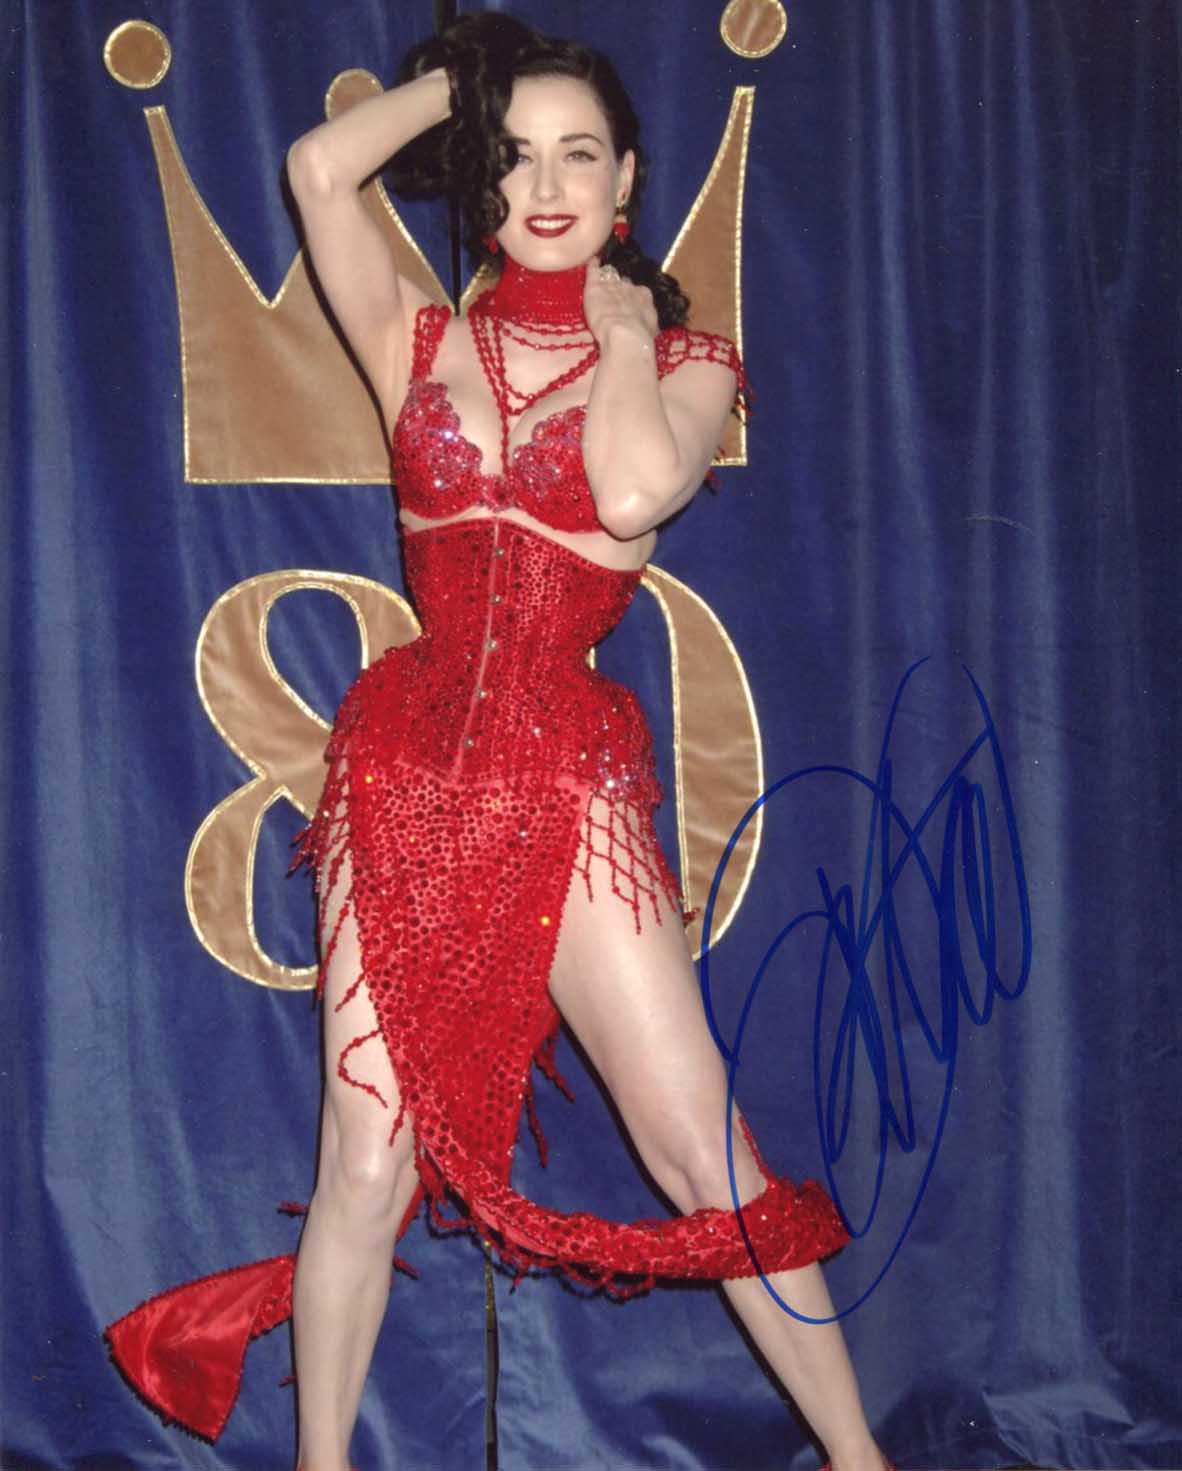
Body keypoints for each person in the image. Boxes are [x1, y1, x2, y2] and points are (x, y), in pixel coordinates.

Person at [104, 16, 895, 1471]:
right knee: (363, 1155)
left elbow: (634, 488)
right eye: (514, 155)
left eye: (577, 155)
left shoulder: (691, 359)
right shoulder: (418, 337)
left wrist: (620, 334)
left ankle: (862, 1462)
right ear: (481, 176)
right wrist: (454, 86)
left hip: (567, 774)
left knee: (696, 1148)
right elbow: (318, 170)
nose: (543, 185)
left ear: (626, 179)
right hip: (405, 767)